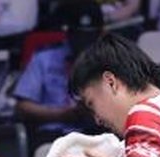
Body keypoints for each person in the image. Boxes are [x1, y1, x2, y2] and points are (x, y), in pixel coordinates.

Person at [11, 0, 104, 147]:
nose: (83, 42)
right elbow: (22, 106)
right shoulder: (44, 58)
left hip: (94, 134)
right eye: (78, 35)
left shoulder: (112, 64)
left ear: (100, 35)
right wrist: (60, 114)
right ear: (68, 33)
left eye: (89, 37)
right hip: (51, 133)